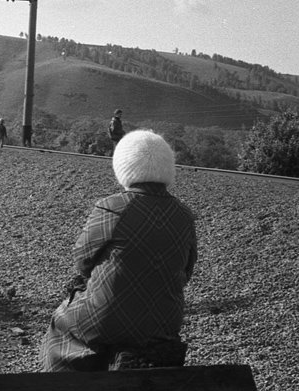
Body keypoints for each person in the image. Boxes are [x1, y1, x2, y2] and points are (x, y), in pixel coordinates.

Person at [39, 129, 197, 372]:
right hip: (165, 323)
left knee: (62, 323)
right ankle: (133, 360)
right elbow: (186, 271)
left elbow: (82, 260)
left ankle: (68, 385)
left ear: (124, 166)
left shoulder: (112, 208)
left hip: (106, 319)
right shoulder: (185, 215)